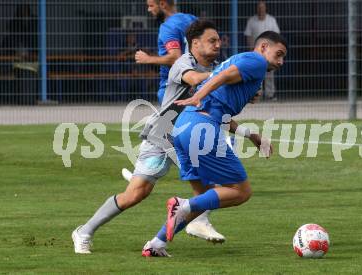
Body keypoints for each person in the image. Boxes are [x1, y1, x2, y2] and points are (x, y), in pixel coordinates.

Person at [72, 20, 245, 255]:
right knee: (136, 194)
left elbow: (218, 111)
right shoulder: (182, 63)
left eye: (218, 40)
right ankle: (84, 232)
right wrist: (230, 77)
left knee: (204, 194)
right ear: (195, 43)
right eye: (211, 40)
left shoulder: (216, 69)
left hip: (189, 139)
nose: (218, 44)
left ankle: (162, 241)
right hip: (162, 136)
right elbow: (196, 79)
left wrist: (247, 131)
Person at [143, 31, 287, 257]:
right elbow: (226, 76)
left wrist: (251, 135)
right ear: (263, 47)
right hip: (201, 127)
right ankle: (182, 205)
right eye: (278, 54)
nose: (281, 62)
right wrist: (199, 94)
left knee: (203, 198)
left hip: (183, 126)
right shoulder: (256, 60)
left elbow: (219, 104)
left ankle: (156, 244)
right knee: (240, 191)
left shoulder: (244, 64)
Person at [135, 0, 196, 104]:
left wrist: (148, 59)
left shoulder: (168, 27)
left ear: (163, 4)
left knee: (170, 120)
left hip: (174, 89)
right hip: (195, 85)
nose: (149, 10)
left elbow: (175, 58)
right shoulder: (192, 19)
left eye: (151, 6)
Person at [244, 1, 280, 101]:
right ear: (257, 9)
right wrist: (251, 49)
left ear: (265, 8)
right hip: (257, 51)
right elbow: (249, 36)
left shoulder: (271, 20)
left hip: (269, 52)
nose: (261, 10)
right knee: (256, 73)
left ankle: (270, 94)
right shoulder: (251, 20)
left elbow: (276, 36)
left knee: (269, 73)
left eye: (262, 8)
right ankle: (256, 95)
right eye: (259, 8)